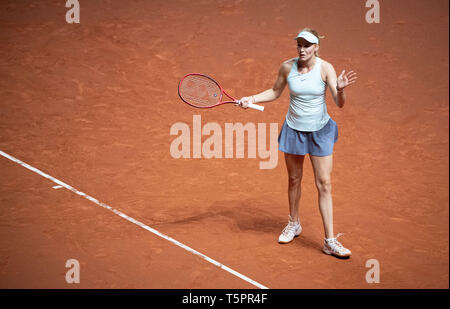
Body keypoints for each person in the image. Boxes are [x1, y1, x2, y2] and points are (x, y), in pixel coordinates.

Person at [239, 28, 357, 258]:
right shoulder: (287, 67)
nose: (302, 49)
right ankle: (294, 223)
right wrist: (250, 98)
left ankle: (330, 241)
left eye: (307, 45)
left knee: (324, 183)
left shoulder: (325, 68)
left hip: (320, 132)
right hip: (294, 130)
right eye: (299, 45)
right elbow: (275, 92)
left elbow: (339, 102)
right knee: (294, 179)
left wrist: (340, 90)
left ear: (317, 47)